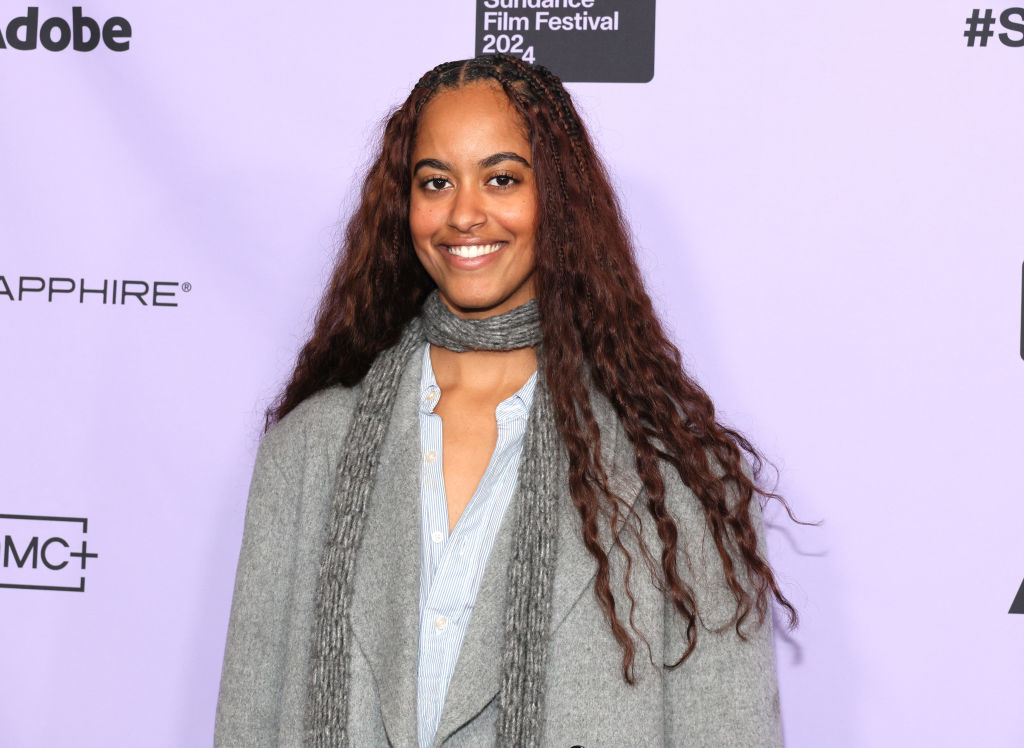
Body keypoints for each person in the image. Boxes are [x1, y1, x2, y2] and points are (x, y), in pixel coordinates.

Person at [215, 53, 794, 748]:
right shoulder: (308, 451)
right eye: (436, 182)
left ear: (559, 198)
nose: (464, 213)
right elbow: (247, 722)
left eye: (501, 178)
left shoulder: (675, 474)